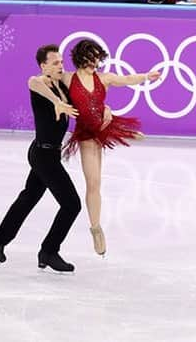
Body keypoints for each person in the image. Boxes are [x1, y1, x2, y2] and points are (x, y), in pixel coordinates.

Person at [0, 44, 81, 272]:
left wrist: (103, 109)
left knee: (28, 198)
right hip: (43, 155)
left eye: (61, 62)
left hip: (48, 153)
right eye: (55, 63)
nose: (60, 66)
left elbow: (84, 93)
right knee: (72, 204)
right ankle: (49, 250)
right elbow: (32, 82)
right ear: (43, 66)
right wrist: (56, 102)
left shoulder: (62, 85)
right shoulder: (40, 83)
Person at [60, 39, 160, 256]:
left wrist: (146, 76)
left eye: (98, 56)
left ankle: (121, 129)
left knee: (121, 128)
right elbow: (45, 80)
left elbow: (126, 79)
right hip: (86, 136)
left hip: (102, 126)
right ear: (82, 56)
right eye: (92, 56)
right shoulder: (68, 78)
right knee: (93, 183)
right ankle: (96, 229)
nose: (96, 60)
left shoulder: (104, 78)